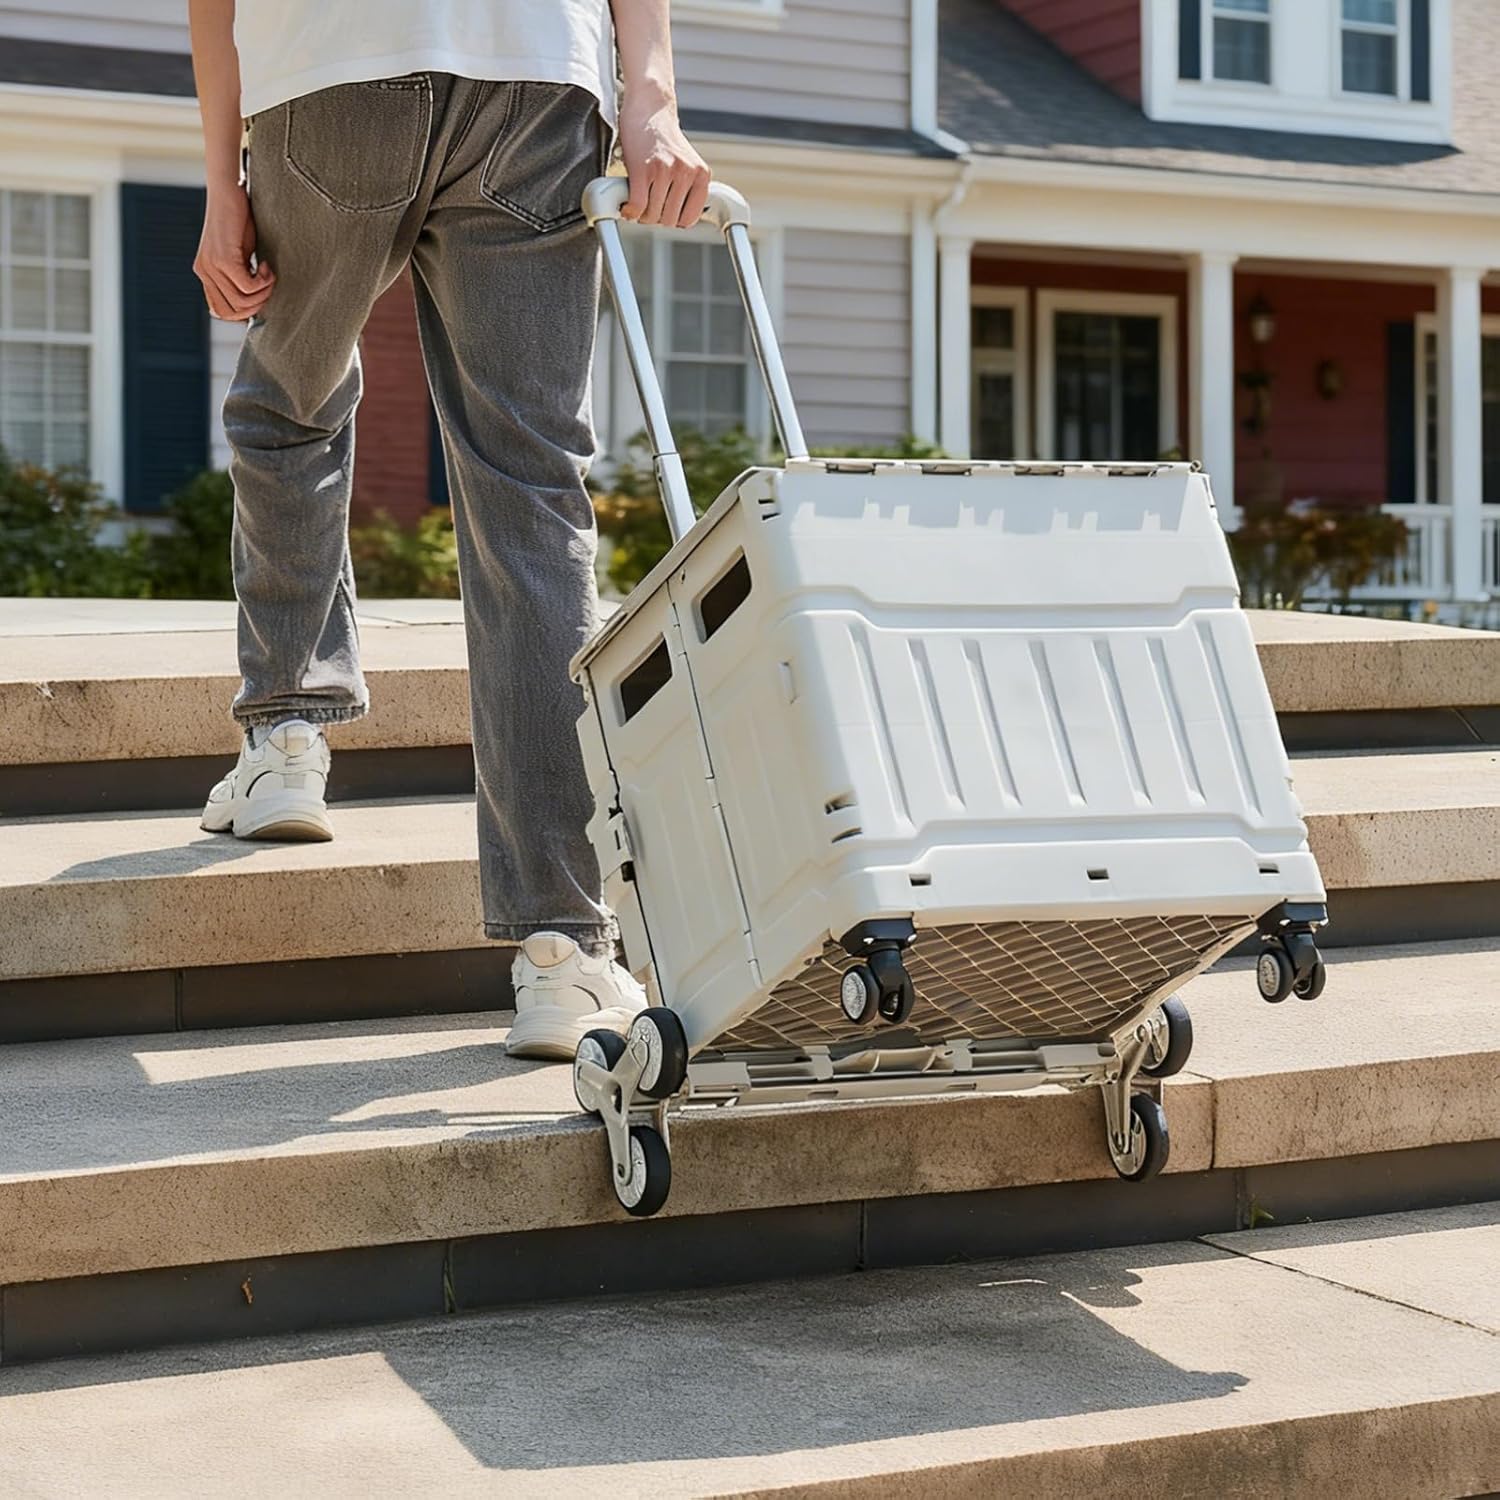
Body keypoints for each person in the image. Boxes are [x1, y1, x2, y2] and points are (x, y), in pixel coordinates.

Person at [187, 1, 709, 1059]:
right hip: (534, 74)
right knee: (531, 486)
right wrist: (650, 100)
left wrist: (218, 183)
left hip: (335, 65)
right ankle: (562, 950)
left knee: (289, 403)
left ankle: (286, 739)